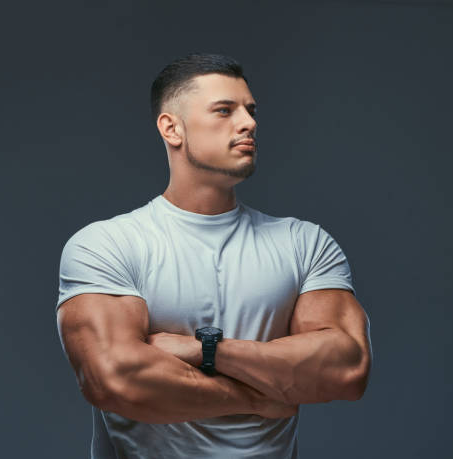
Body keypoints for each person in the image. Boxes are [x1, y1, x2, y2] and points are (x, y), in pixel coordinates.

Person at [55, 52, 372, 459]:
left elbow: (346, 370)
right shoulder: (108, 244)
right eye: (225, 110)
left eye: (250, 110)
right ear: (172, 128)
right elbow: (114, 380)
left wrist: (206, 351)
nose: (249, 123)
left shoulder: (304, 243)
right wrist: (258, 398)